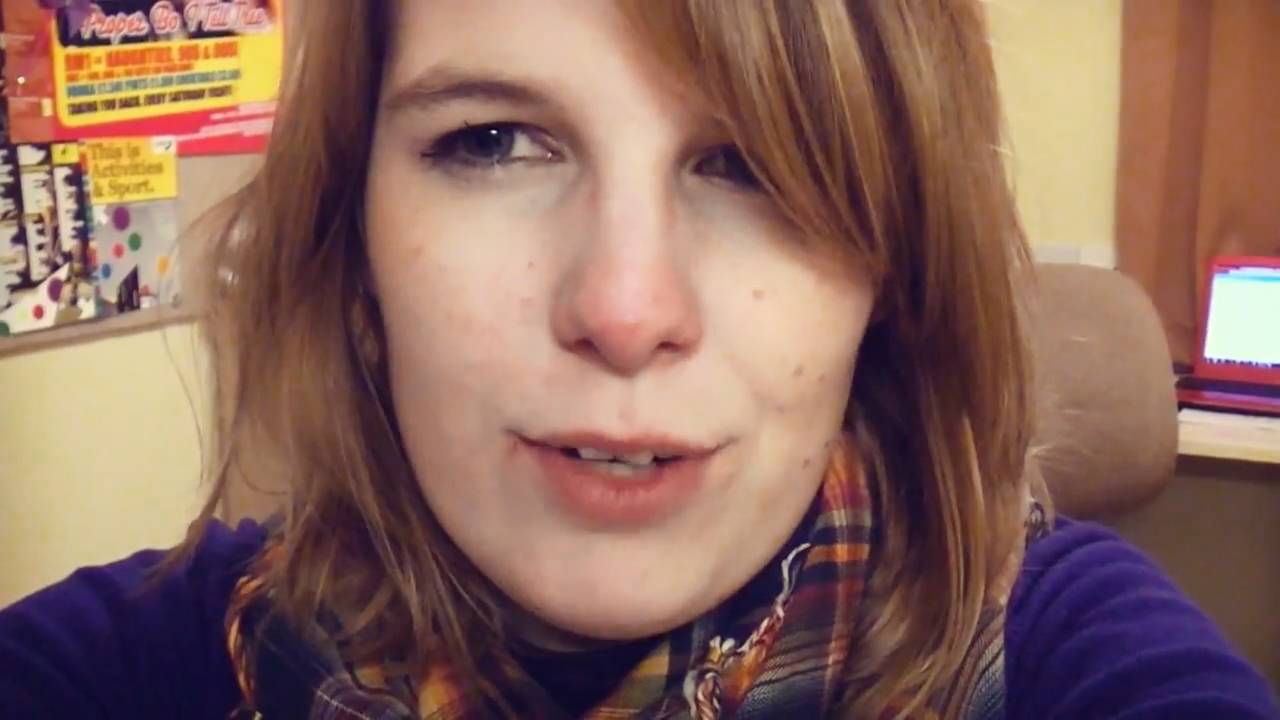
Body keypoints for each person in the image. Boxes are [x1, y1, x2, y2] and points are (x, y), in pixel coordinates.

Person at [1, 2, 1276, 718]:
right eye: (492, 141)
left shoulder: (1064, 653)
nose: (623, 308)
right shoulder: (141, 662)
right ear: (357, 241)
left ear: (888, 268)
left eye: (752, 165)